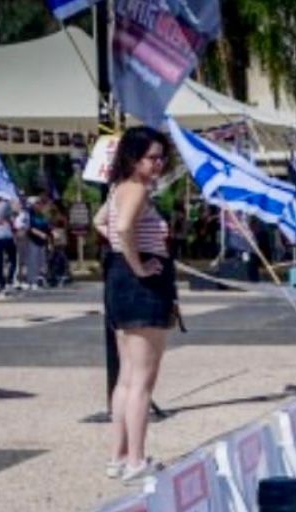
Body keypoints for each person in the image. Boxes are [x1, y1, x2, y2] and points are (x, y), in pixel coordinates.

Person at [94, 126, 175, 482]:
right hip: (141, 284)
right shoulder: (137, 190)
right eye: (152, 157)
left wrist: (123, 250)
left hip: (119, 280)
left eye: (161, 157)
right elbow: (124, 227)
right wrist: (138, 262)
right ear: (133, 158)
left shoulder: (118, 189)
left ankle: (119, 456)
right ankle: (136, 460)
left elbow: (102, 222)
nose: (158, 164)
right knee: (142, 378)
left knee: (127, 377)